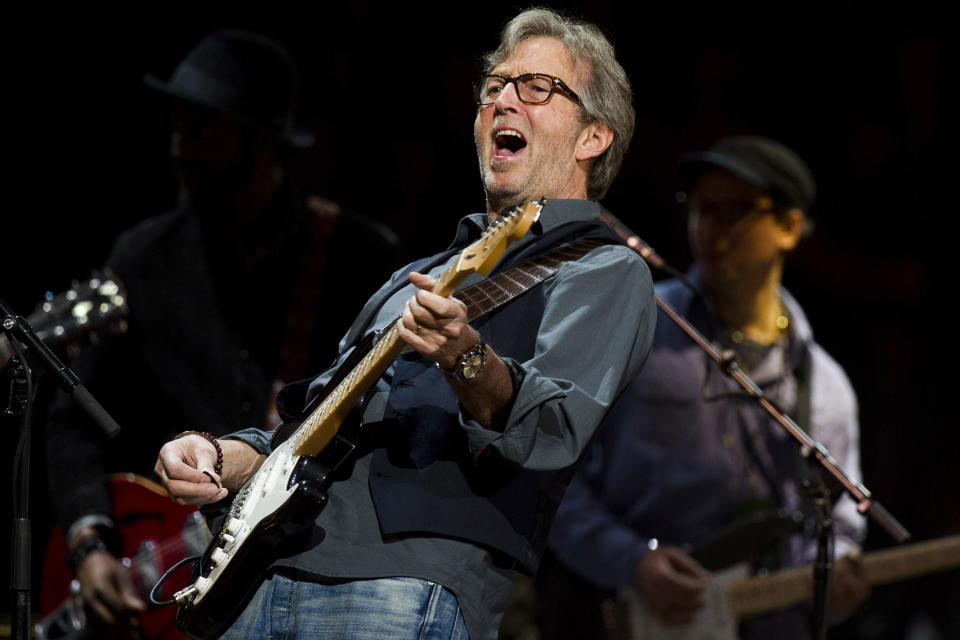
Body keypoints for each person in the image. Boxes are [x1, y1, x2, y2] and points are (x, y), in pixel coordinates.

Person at [154, 8, 656, 640]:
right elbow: (315, 415)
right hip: (266, 574)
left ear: (592, 137)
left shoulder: (603, 267)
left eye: (536, 87)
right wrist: (224, 457)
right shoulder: (417, 275)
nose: (503, 100)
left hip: (405, 583)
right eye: (494, 86)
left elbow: (552, 428)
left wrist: (464, 355)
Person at [41, 29, 403, 639]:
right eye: (177, 127)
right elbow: (72, 417)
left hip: (316, 568)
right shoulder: (143, 258)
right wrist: (90, 541)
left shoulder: (355, 257)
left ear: (263, 143)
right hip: (171, 566)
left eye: (206, 129)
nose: (181, 148)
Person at [539, 135, 870, 640]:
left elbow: (839, 528)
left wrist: (837, 578)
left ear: (789, 226)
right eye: (701, 208)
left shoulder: (825, 386)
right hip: (621, 615)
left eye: (735, 209)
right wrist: (632, 562)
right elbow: (552, 471)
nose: (710, 225)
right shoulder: (639, 322)